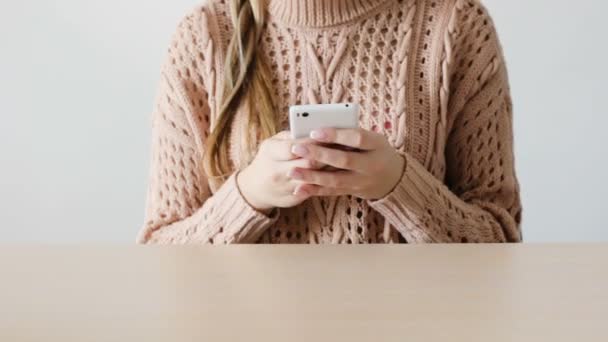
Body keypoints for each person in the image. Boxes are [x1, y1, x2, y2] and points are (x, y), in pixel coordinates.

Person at [137, 0, 522, 244]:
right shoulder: (204, 37)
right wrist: (249, 195)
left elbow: (500, 241)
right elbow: (160, 253)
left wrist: (399, 185)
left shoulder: (455, 26)